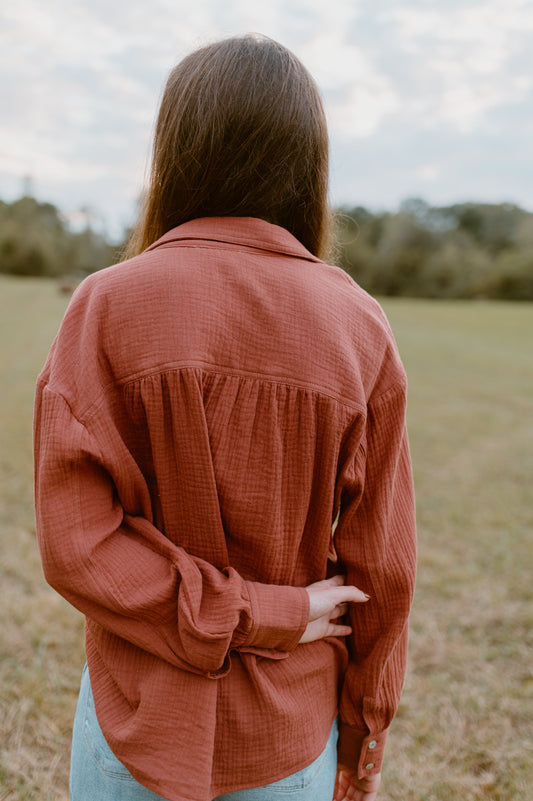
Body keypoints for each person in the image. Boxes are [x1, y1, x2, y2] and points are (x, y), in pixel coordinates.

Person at [34, 34, 416, 801]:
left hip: (132, 725)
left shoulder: (105, 304)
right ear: (309, 162)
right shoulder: (358, 324)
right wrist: (362, 733)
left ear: (174, 151)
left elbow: (78, 546)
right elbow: (384, 570)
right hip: (287, 738)